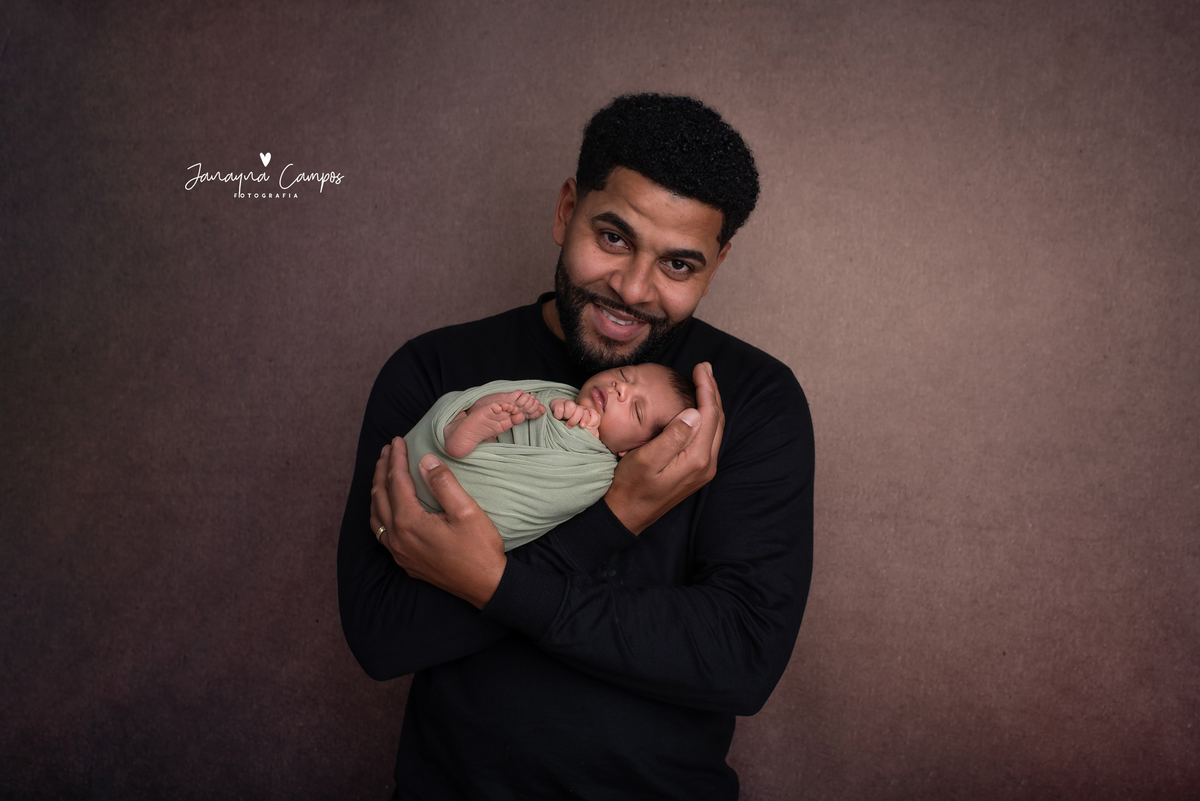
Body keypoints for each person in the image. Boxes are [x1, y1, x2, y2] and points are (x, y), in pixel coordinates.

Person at [338, 93, 815, 800]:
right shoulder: (437, 372)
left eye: (679, 265)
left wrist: (490, 581)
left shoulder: (749, 403)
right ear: (567, 209)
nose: (633, 288)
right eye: (614, 237)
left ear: (716, 264)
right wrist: (614, 519)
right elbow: (383, 636)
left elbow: (741, 659)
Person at [400, 363, 697, 551]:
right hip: (467, 453)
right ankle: (472, 421)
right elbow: (548, 409)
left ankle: (468, 432)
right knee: (511, 406)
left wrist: (577, 431)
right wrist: (559, 407)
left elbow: (553, 485)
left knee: (510, 418)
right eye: (625, 374)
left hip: (481, 487)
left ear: (631, 452)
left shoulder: (596, 472)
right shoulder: (560, 392)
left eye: (636, 409)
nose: (621, 388)